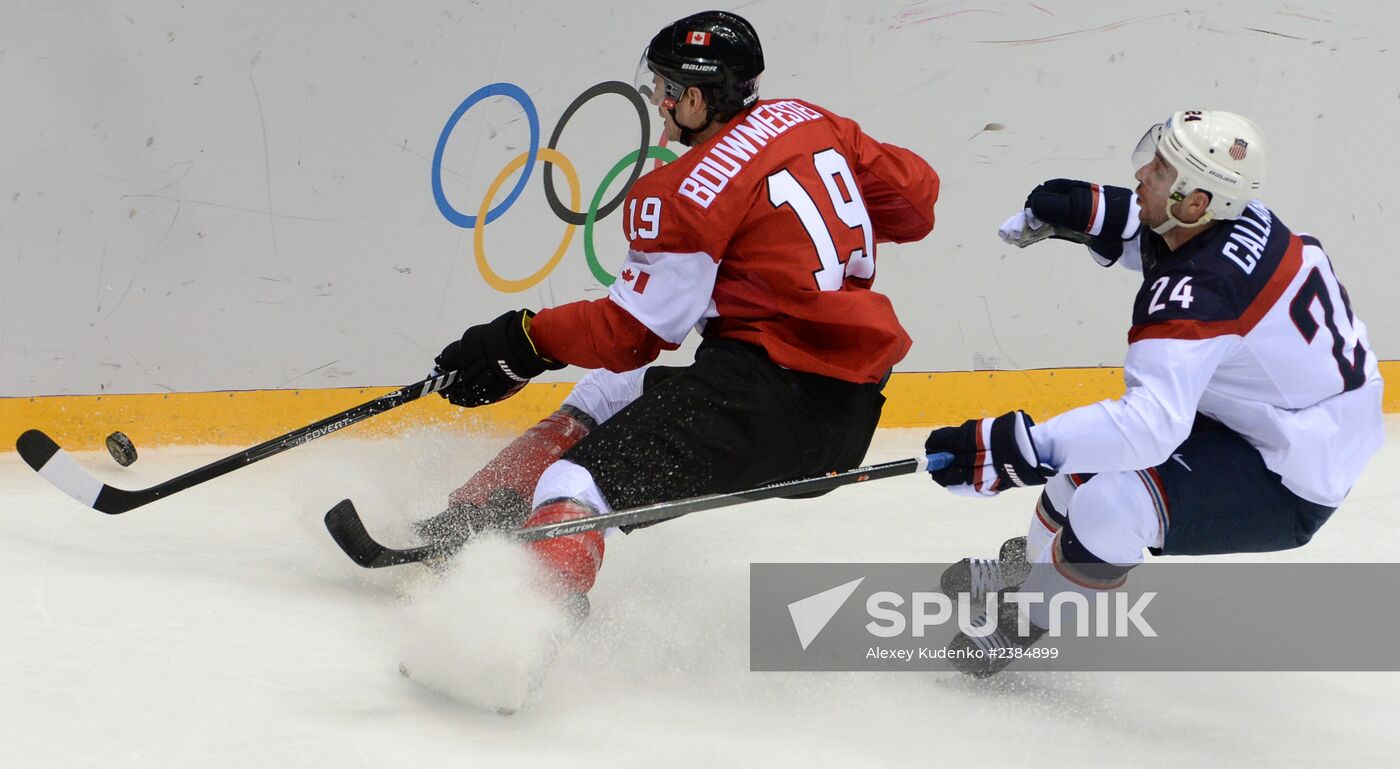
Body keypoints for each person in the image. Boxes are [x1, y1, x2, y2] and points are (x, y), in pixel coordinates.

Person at [419, 11, 940, 621]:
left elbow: (630, 333)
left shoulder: (687, 189)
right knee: (605, 391)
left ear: (695, 98)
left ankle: (515, 636)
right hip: (849, 406)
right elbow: (916, 202)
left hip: (765, 401)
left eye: (665, 88)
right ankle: (478, 513)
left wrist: (523, 341)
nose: (656, 100)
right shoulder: (811, 121)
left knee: (575, 485)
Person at [924, 110, 1384, 676]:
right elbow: (1181, 240)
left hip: (1295, 470)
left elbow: (1148, 428)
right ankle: (1028, 569)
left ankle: (1026, 617)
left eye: (1160, 171)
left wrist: (1016, 449)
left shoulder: (1201, 293)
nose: (1142, 173)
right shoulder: (1238, 213)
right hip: (1277, 411)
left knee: (1111, 506)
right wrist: (1097, 213)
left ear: (1196, 202)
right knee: (1081, 470)